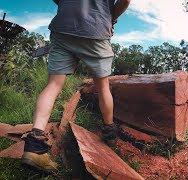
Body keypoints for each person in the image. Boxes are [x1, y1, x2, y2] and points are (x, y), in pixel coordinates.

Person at [21, 0, 131, 173]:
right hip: (97, 27)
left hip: (64, 26)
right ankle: (109, 134)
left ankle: (34, 145)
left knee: (53, 85)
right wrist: (112, 17)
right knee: (103, 87)